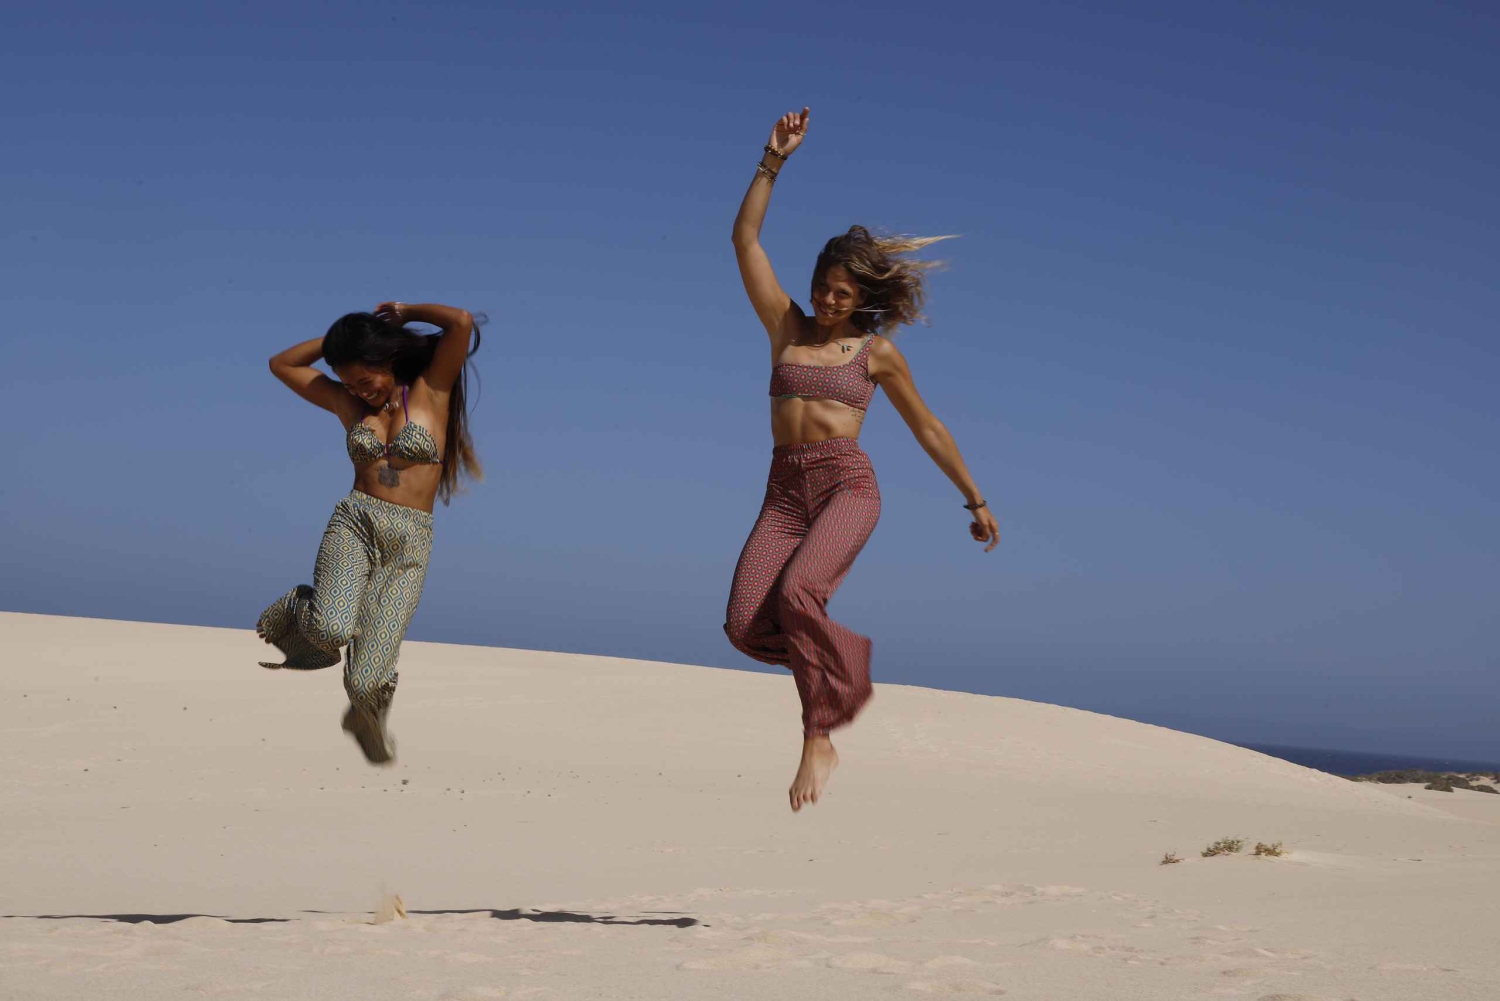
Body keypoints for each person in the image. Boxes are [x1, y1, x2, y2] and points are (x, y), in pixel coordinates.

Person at [724, 108, 1001, 812]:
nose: (826, 300)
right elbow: (744, 237)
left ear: (863, 302)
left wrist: (975, 498)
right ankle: (835, 676)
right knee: (745, 621)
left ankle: (819, 733)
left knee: (797, 595)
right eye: (822, 286)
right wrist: (773, 159)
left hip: (848, 485)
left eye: (842, 295)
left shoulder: (874, 355)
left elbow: (928, 427)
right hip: (784, 494)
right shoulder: (785, 326)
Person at [258, 302, 482, 764]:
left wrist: (400, 315)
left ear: (389, 359)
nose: (359, 390)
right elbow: (281, 364)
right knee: (330, 627)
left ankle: (364, 715)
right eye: (348, 382)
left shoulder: (430, 392)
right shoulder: (348, 404)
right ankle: (299, 608)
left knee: (365, 682)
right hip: (355, 523)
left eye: (366, 378)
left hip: (409, 545)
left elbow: (460, 322)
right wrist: (341, 340)